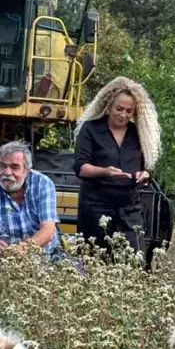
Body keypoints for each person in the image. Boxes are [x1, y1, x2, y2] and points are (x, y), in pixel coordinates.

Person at [73, 77, 160, 252]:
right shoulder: (90, 129)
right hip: (95, 204)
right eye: (119, 109)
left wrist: (145, 175)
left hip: (129, 206)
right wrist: (106, 172)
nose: (123, 115)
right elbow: (81, 167)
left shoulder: (140, 133)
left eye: (129, 111)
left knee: (134, 257)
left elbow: (148, 168)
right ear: (108, 105)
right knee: (95, 258)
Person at [0, 140, 60, 259]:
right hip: (2, 261)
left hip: (45, 256)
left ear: (27, 170)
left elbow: (48, 231)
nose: (7, 172)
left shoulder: (42, 183)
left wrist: (22, 250)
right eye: (2, 166)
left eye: (15, 167)